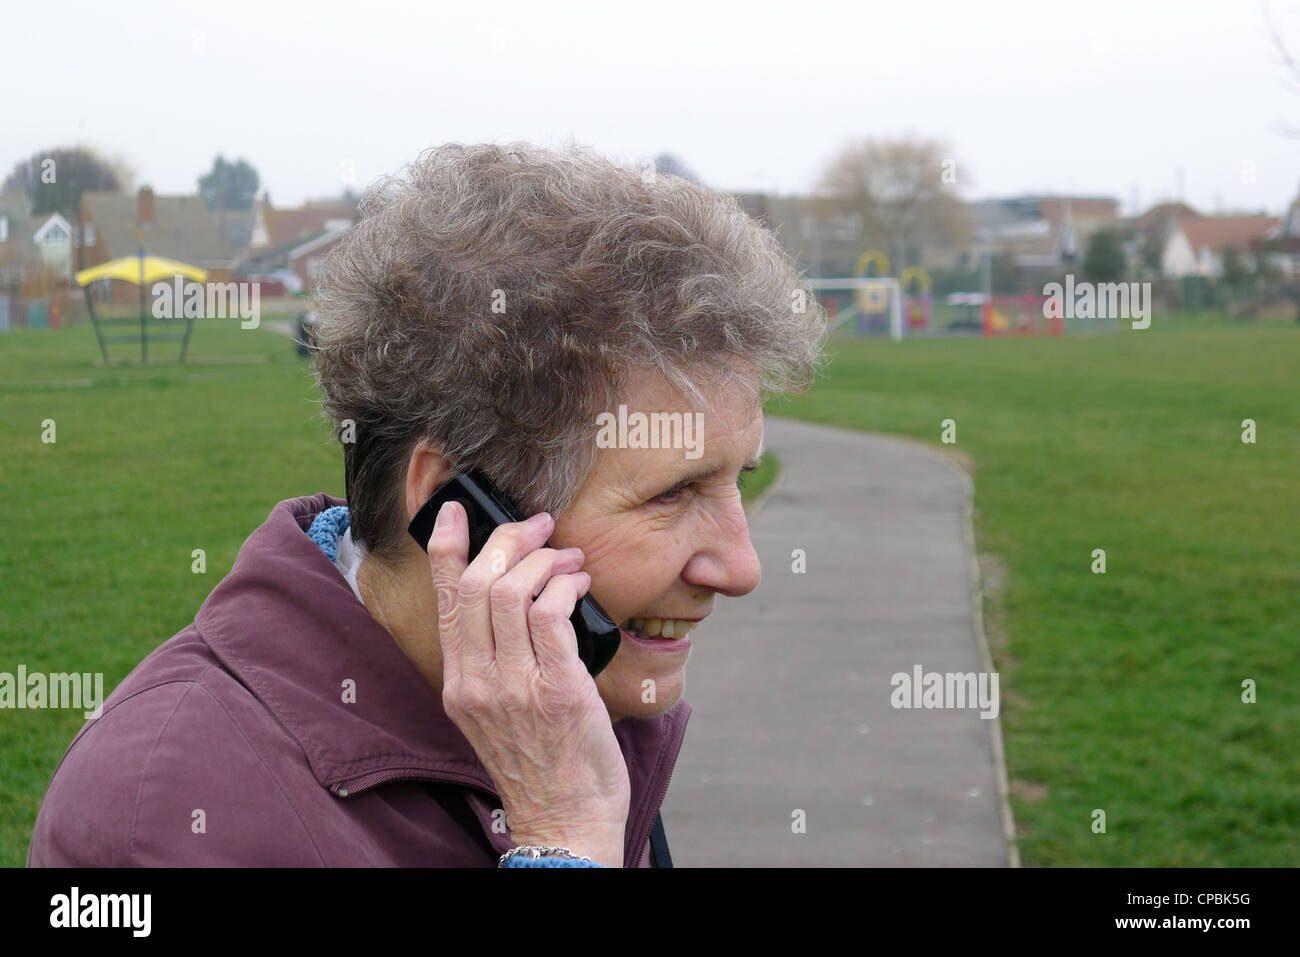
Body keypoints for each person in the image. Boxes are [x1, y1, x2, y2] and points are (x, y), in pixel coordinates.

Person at [28, 143, 827, 867]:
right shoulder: (162, 812)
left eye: (740, 479)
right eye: (674, 491)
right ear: (454, 507)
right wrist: (565, 842)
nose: (742, 567)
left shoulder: (571, 705)